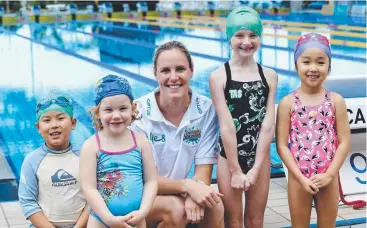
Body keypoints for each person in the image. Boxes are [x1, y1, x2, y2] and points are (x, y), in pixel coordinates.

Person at [130, 40, 224, 228]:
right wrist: (188, 187)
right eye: (165, 71)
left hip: (178, 191)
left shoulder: (205, 110)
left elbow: (203, 171)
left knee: (216, 206)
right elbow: (145, 178)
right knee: (176, 208)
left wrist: (194, 192)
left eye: (180, 69)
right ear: (155, 74)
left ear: (191, 70)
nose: (173, 77)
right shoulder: (138, 113)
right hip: (141, 196)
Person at [209, 6, 278, 228]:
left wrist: (257, 167)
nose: (246, 42)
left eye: (252, 35)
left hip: (260, 157)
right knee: (233, 221)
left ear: (260, 37)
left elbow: (268, 125)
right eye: (239, 35)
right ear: (229, 37)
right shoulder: (219, 76)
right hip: (228, 158)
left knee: (256, 220)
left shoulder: (269, 76)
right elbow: (227, 126)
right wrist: (236, 170)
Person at [276, 33, 351, 227]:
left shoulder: (336, 101)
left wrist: (329, 174)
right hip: (298, 179)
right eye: (306, 61)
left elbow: (344, 142)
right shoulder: (287, 103)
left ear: (329, 66)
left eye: (320, 62)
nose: (313, 68)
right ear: (296, 65)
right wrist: (299, 177)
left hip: (328, 178)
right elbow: (282, 145)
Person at [80, 75, 157, 228]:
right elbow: (89, 188)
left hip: (136, 219)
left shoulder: (141, 142)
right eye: (108, 110)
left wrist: (143, 212)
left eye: (123, 109)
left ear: (133, 109)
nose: (116, 115)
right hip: (101, 221)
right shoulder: (91, 146)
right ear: (98, 113)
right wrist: (109, 219)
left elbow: (151, 181)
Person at [18, 92, 89, 228]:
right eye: (46, 120)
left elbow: (94, 197)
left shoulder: (85, 157)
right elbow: (28, 202)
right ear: (38, 127)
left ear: (73, 123)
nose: (54, 125)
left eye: (60, 118)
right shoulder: (32, 160)